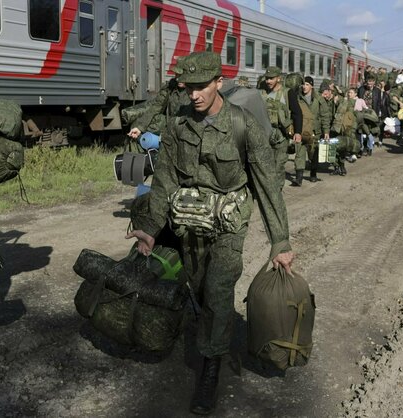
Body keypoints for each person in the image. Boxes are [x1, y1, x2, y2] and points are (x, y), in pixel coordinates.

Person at [126, 51, 294, 415]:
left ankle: (210, 371)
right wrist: (152, 229)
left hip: (229, 225)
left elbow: (267, 184)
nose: (195, 95)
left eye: (202, 87)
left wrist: (280, 242)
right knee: (199, 287)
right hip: (190, 222)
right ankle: (211, 329)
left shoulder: (242, 125)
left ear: (219, 82)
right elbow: (165, 179)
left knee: (218, 290)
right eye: (189, 88)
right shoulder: (177, 125)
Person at [259, 66, 295, 187]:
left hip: (281, 136)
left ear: (279, 79)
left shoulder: (287, 93)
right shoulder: (261, 92)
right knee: (265, 166)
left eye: (271, 79)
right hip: (264, 135)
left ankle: (277, 192)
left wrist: (298, 132)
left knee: (278, 165)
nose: (268, 81)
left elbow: (297, 113)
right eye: (267, 78)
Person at [292, 76, 329, 185]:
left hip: (314, 132)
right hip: (301, 130)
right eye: (303, 84)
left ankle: (313, 173)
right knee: (299, 153)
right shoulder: (298, 98)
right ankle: (299, 178)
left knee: (313, 154)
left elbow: (325, 116)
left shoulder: (318, 99)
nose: (304, 87)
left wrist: (326, 131)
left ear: (312, 86)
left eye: (307, 84)